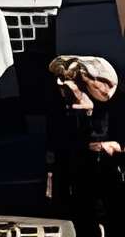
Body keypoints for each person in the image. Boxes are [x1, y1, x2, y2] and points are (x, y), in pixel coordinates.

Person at [49, 56, 122, 237]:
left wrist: (113, 146)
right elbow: (60, 147)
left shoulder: (112, 108)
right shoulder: (67, 111)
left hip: (107, 171)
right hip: (80, 175)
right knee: (84, 219)